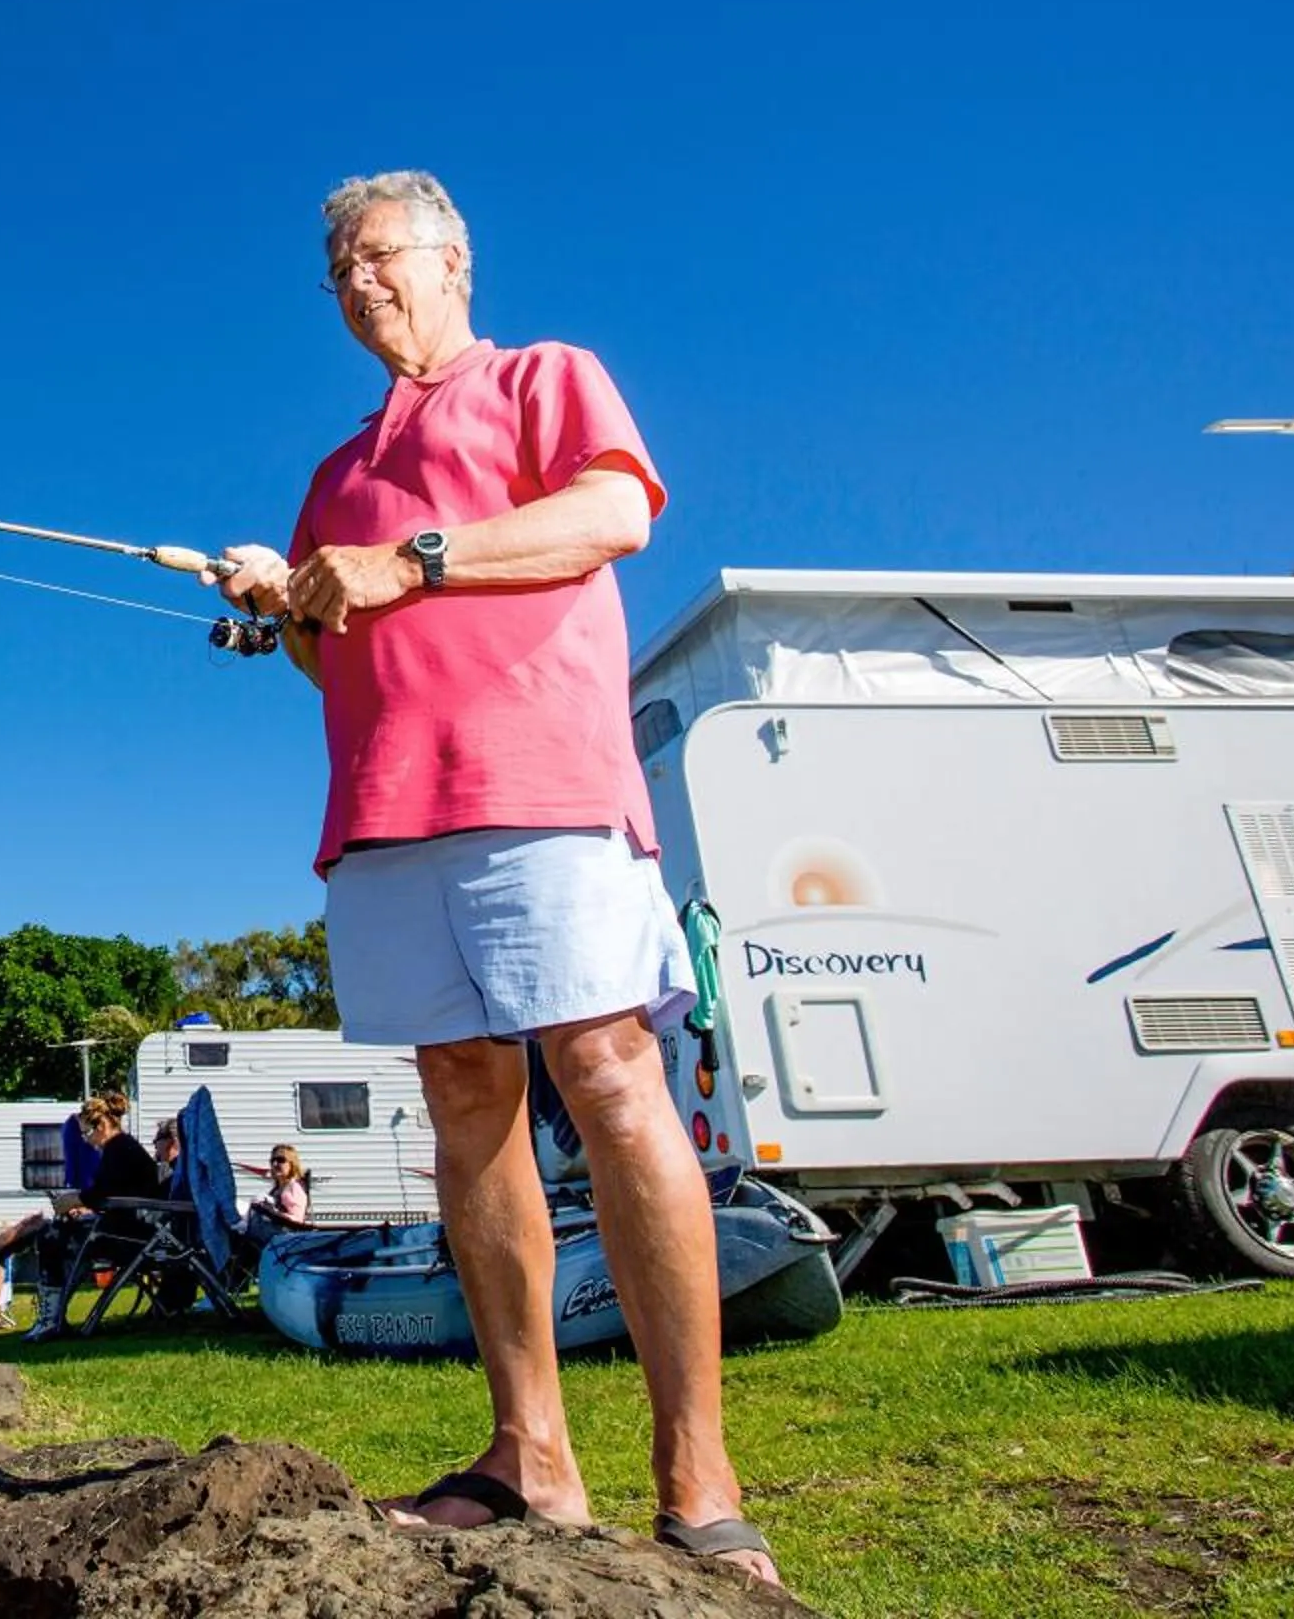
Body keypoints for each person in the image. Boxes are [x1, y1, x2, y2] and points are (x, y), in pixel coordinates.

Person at [205, 171, 778, 1586]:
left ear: (455, 257)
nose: (358, 284)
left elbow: (608, 518)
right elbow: (335, 646)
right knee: (464, 1097)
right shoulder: (334, 473)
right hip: (385, 814)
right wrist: (284, 606)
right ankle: (532, 1458)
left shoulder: (543, 377)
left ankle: (699, 1484)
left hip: (544, 787)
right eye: (336, 269)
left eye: (379, 255)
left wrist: (408, 561)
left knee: (604, 1067)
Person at [0, 1091, 160, 1340]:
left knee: (50, 1234)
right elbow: (114, 1193)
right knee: (45, 1227)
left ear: (102, 1124)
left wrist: (75, 1200)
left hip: (130, 1236)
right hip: (126, 1228)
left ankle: (46, 1314)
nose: (86, 1140)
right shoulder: (121, 1148)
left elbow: (107, 1193)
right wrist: (82, 1206)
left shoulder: (120, 1148)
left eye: (87, 1133)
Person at [243, 1143, 311, 1239]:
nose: (275, 1164)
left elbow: (297, 1221)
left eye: (280, 1160)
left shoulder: (294, 1188)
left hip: (284, 1239)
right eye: (272, 1161)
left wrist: (273, 1212)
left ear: (292, 1164)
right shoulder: (277, 1188)